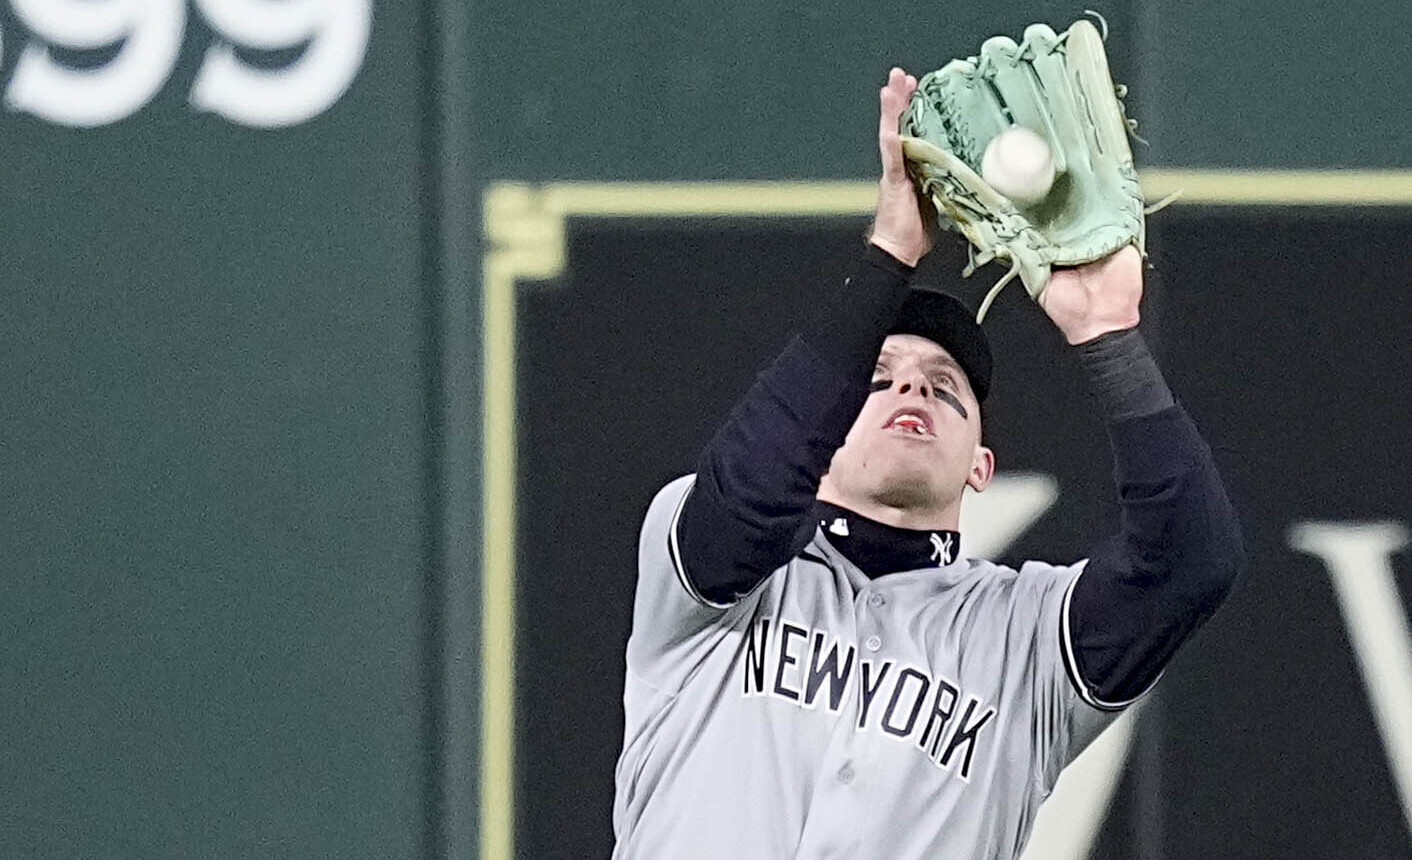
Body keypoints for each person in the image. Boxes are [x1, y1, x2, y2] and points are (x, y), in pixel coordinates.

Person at [610, 68, 1243, 860]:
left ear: (981, 466)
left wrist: (1107, 334)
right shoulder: (710, 583)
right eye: (878, 378)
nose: (913, 383)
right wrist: (890, 255)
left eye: (946, 387)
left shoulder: (1027, 644)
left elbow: (1193, 562)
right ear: (823, 432)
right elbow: (750, 495)